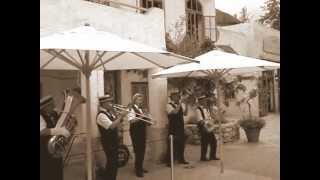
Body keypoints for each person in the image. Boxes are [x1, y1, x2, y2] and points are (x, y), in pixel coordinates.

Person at [96, 94, 128, 180]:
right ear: (104, 103)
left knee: (113, 163)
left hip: (113, 141)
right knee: (112, 163)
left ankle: (110, 177)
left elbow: (116, 123)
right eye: (109, 102)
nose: (111, 104)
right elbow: (112, 126)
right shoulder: (101, 115)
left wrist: (119, 117)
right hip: (108, 143)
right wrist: (121, 116)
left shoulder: (109, 113)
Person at [40, 96, 70, 180]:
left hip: (55, 149)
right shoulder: (40, 116)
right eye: (51, 105)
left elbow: (60, 124)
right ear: (45, 106)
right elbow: (41, 131)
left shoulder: (53, 113)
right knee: (48, 173)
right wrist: (57, 131)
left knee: (57, 172)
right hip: (44, 151)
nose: (54, 106)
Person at [127, 93, 150, 177]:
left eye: (141, 100)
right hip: (135, 132)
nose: (141, 101)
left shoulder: (141, 109)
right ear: (134, 100)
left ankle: (140, 167)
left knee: (142, 150)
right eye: (139, 100)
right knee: (138, 151)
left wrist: (147, 117)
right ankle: (138, 170)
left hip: (142, 131)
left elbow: (145, 121)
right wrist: (141, 116)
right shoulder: (131, 109)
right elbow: (131, 121)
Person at [166, 90, 189, 167]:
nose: (177, 97)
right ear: (172, 97)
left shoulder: (180, 104)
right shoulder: (168, 105)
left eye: (178, 96)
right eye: (176, 96)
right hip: (173, 127)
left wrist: (186, 104)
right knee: (172, 145)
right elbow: (175, 112)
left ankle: (181, 159)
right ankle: (169, 161)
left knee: (181, 144)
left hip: (180, 126)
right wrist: (180, 103)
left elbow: (185, 113)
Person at [196, 95, 220, 161]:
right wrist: (207, 125)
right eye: (203, 100)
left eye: (205, 100)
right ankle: (203, 157)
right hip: (203, 127)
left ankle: (212, 156)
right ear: (200, 101)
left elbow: (209, 117)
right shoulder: (198, 110)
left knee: (213, 141)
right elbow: (200, 121)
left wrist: (212, 121)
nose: (205, 102)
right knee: (204, 142)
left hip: (208, 126)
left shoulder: (206, 109)